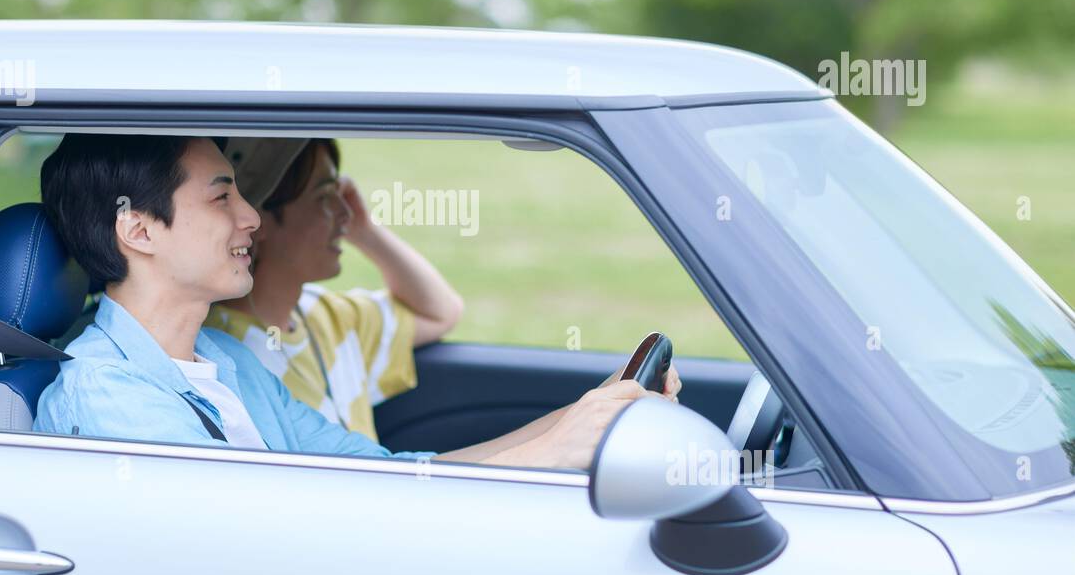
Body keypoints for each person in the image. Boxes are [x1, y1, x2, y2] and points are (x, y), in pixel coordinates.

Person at [35, 133, 675, 470]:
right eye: (221, 198)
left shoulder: (226, 362)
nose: (252, 218)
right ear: (138, 229)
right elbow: (242, 548)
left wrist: (579, 421)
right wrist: (550, 453)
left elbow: (385, 475)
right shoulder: (107, 396)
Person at [206, 137, 461, 442]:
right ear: (257, 219)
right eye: (325, 196)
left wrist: (367, 231)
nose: (346, 213)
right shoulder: (218, 349)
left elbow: (441, 313)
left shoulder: (330, 317)